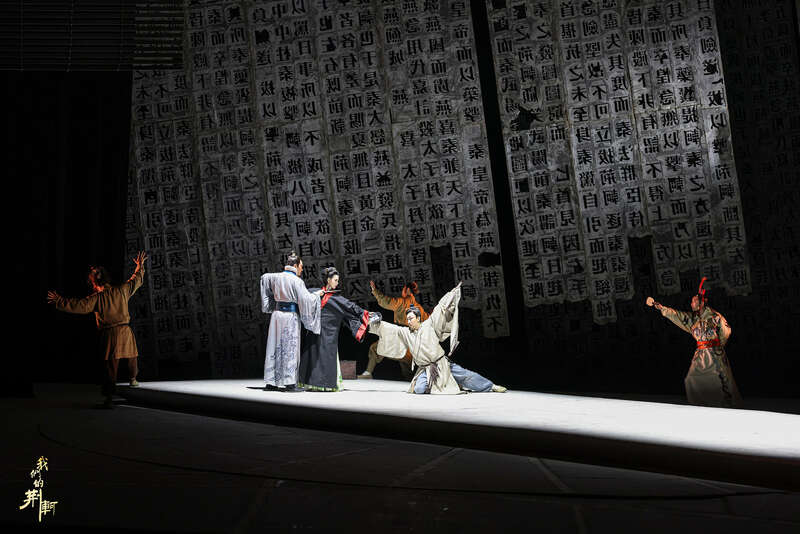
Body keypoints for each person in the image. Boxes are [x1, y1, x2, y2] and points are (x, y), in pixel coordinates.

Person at [47, 251, 148, 408]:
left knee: (111, 367)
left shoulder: (96, 298)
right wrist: (139, 267)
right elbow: (136, 280)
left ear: (93, 283)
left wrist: (59, 301)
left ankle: (109, 398)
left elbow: (78, 305)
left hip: (110, 333)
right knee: (132, 357)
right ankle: (133, 379)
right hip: (125, 330)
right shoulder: (121, 290)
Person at [368, 282, 507, 394]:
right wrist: (371, 321)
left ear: (418, 318)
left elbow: (440, 309)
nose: (408, 321)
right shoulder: (406, 332)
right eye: (407, 319)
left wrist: (451, 294)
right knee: (419, 389)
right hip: (425, 369)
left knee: (465, 376)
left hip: (441, 364)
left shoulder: (428, 324)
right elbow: (390, 328)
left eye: (411, 318)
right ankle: (443, 383)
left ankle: (490, 386)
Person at [646, 277, 742, 408]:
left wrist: (717, 345)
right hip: (701, 354)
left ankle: (725, 406)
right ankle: (704, 406)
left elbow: (726, 331)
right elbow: (677, 315)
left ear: (700, 303)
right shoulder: (693, 319)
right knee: (691, 380)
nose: (691, 304)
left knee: (720, 381)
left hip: (715, 353)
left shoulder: (715, 317)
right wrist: (662, 308)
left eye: (693, 301)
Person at [297, 267, 381, 391]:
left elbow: (351, 307)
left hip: (327, 332)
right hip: (316, 330)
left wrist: (366, 314)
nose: (337, 283)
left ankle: (322, 384)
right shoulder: (315, 293)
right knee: (314, 355)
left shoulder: (333, 297)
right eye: (335, 280)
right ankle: (318, 384)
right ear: (328, 280)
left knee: (324, 356)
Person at [260, 251, 321, 392]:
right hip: (289, 317)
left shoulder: (275, 277)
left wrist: (269, 304)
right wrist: (316, 296)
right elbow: (306, 299)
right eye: (301, 266)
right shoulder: (297, 281)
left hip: (276, 316)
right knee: (290, 348)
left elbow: (264, 278)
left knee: (274, 346)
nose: (302, 269)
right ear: (295, 265)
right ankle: (289, 383)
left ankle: (271, 382)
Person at [359, 280, 428, 379]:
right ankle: (414, 381)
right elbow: (428, 321)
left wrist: (375, 291)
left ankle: (368, 372)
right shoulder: (419, 309)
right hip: (411, 346)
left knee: (375, 348)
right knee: (407, 368)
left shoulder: (403, 302)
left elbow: (387, 302)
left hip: (398, 340)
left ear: (407, 290)